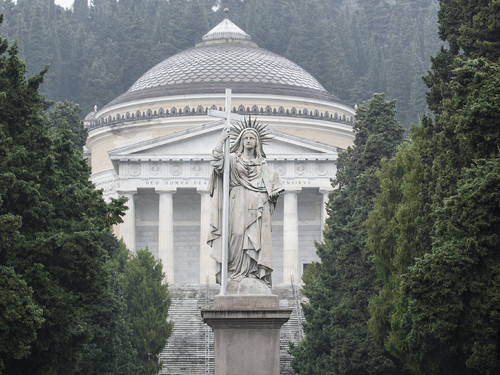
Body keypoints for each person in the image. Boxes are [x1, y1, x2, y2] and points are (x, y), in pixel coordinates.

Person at [208, 123, 283, 289]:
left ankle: (252, 273)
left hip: (256, 203)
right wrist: (222, 139)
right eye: (246, 138)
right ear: (241, 141)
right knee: (235, 234)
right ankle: (234, 272)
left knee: (255, 239)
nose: (248, 141)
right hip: (237, 201)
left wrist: (273, 194)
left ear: (257, 142)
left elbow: (268, 185)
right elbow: (216, 162)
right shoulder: (233, 159)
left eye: (252, 138)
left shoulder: (262, 164)